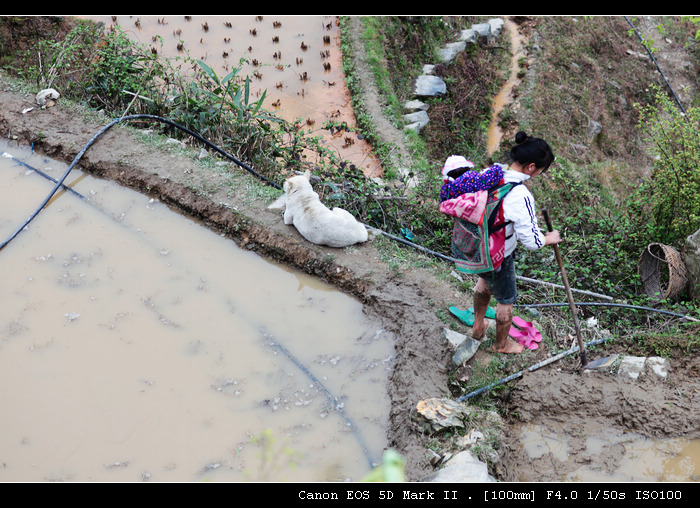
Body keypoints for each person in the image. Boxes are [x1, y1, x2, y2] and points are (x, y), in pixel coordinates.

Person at [467, 131, 561, 354]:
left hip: (478, 244)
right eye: (540, 169)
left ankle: (478, 325)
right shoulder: (520, 195)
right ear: (531, 167)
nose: (538, 173)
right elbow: (531, 241)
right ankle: (501, 345)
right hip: (499, 253)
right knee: (506, 300)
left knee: (483, 282)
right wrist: (549, 238)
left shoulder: (491, 172)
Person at [439, 155, 504, 202]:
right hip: (477, 216)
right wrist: (498, 167)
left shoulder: (446, 189)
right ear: (466, 167)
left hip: (461, 219)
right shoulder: (468, 178)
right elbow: (487, 179)